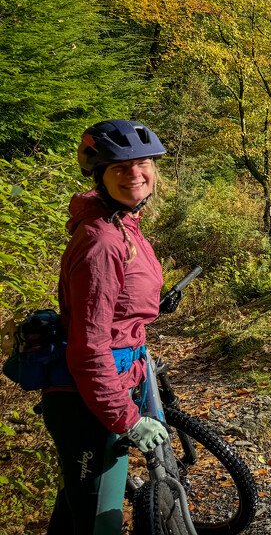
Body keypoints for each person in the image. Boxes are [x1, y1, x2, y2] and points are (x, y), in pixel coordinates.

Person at [42, 119, 170, 534]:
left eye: (142, 163)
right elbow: (89, 347)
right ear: (100, 176)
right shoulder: (102, 239)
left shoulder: (121, 221)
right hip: (90, 401)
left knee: (77, 511)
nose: (135, 174)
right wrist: (128, 420)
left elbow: (117, 301)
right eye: (119, 167)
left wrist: (149, 305)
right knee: (100, 522)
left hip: (107, 388)